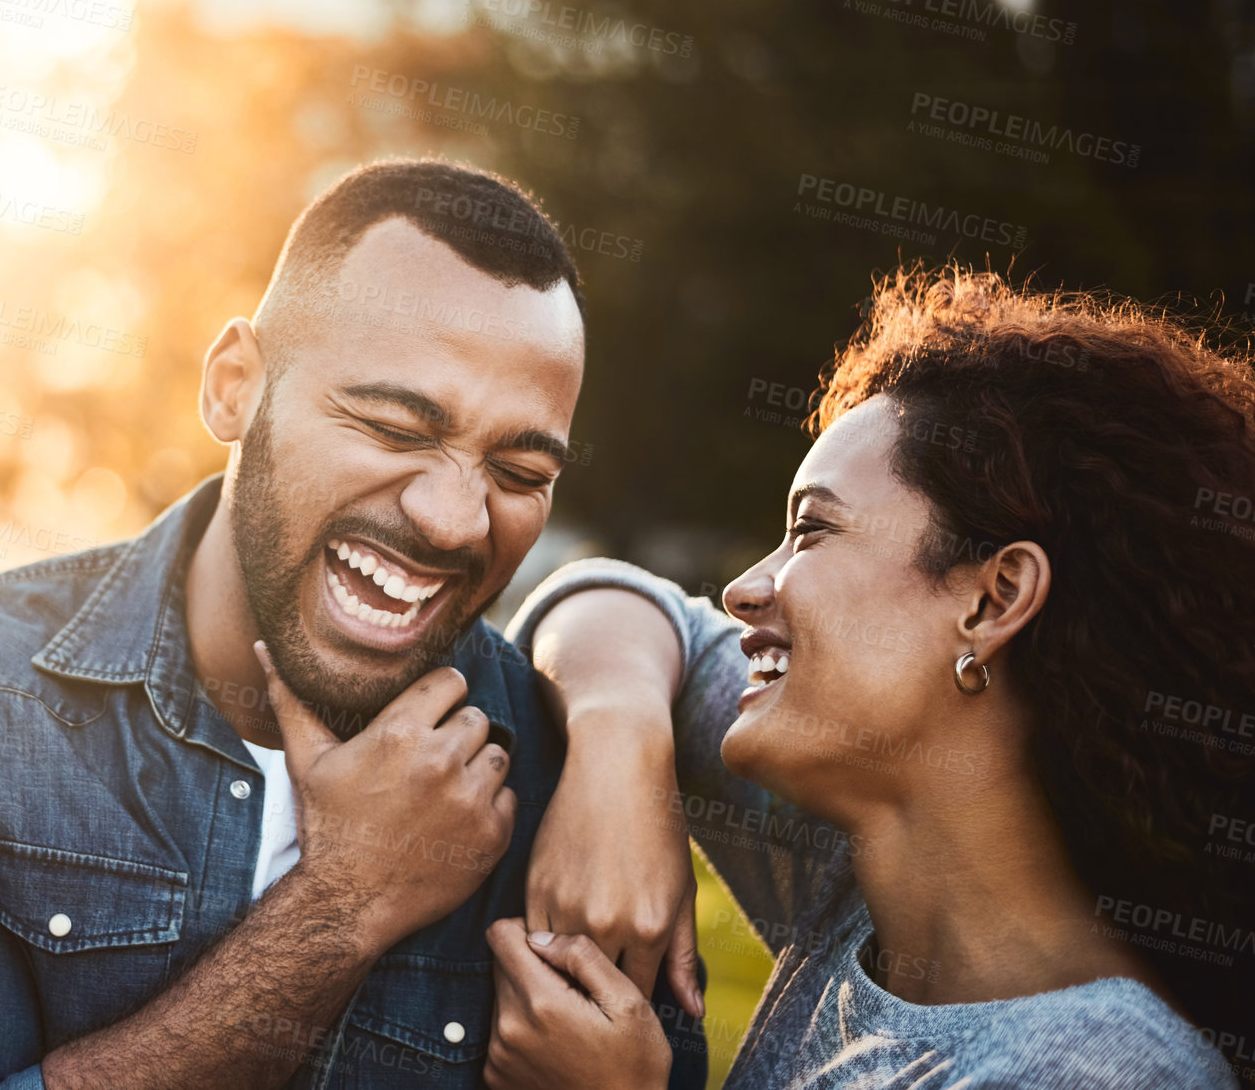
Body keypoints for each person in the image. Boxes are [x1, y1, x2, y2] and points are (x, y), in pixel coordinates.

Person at [0, 158, 708, 1090]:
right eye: (392, 428)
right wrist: (342, 904)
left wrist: (621, 739)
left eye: (518, 474)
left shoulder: (585, 800)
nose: (451, 518)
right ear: (234, 387)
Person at [485, 266, 1253, 1088]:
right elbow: (617, 604)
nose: (744, 589)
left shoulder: (1100, 1074)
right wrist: (619, 755)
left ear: (994, 600)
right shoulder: (856, 880)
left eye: (810, 530)